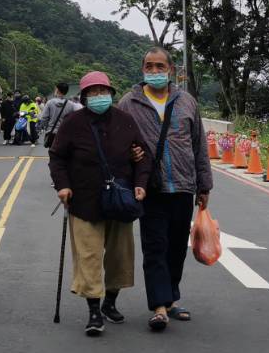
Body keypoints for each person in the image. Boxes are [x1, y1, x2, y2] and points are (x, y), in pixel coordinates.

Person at [48, 71, 151, 335]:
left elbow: (143, 156)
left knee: (119, 257)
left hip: (120, 200)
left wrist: (140, 183)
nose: (98, 97)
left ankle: (110, 302)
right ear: (83, 97)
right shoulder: (72, 123)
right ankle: (94, 311)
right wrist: (63, 186)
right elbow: (57, 157)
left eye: (102, 92)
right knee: (89, 256)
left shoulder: (126, 121)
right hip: (84, 201)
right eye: (92, 93)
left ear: (111, 94)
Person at [118, 46, 212, 332]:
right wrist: (130, 156)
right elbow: (118, 142)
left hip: (183, 186)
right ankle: (159, 306)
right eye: (149, 66)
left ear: (171, 70)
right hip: (151, 187)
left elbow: (199, 146)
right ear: (143, 69)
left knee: (175, 249)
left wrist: (204, 184)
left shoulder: (187, 102)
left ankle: (171, 298)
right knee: (155, 246)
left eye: (160, 66)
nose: (155, 71)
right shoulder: (129, 103)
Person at [39, 82, 80, 151]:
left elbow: (44, 118)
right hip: (65, 134)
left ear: (57, 90)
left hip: (52, 133)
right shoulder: (71, 104)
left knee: (52, 154)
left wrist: (46, 128)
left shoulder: (50, 102)